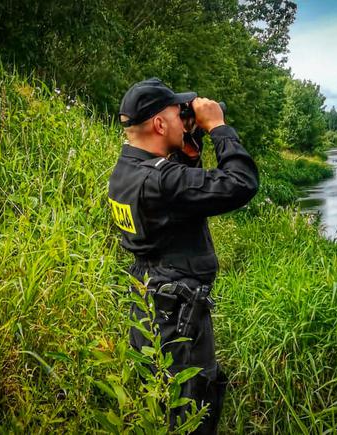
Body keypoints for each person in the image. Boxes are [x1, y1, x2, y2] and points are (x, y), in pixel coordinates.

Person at [107, 77, 259, 433]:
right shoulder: (163, 181)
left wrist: (188, 148)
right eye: (178, 113)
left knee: (164, 402)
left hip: (149, 304)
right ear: (160, 124)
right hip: (178, 314)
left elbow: (177, 203)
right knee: (191, 410)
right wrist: (219, 128)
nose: (184, 117)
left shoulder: (125, 171)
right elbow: (241, 183)